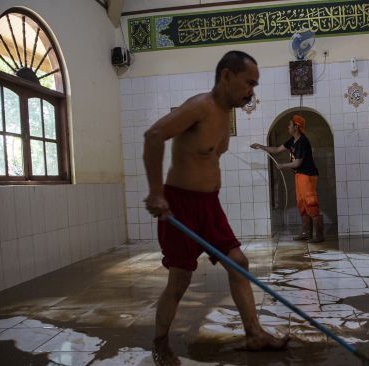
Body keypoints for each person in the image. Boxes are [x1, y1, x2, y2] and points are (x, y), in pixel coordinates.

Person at [143, 50, 289, 366]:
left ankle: (254, 334)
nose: (252, 91)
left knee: (238, 262)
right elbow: (154, 135)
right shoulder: (200, 107)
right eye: (249, 82)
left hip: (209, 207)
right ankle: (160, 343)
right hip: (180, 205)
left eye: (255, 84)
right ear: (226, 76)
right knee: (179, 281)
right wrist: (157, 192)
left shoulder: (226, 114)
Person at [250, 114, 324, 243]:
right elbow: (277, 149)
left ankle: (319, 235)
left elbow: (298, 163)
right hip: (300, 175)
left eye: (290, 124)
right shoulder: (292, 140)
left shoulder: (302, 141)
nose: (288, 127)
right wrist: (260, 146)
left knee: (311, 203)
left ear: (296, 126)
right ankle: (306, 233)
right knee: (302, 204)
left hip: (308, 175)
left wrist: (283, 165)